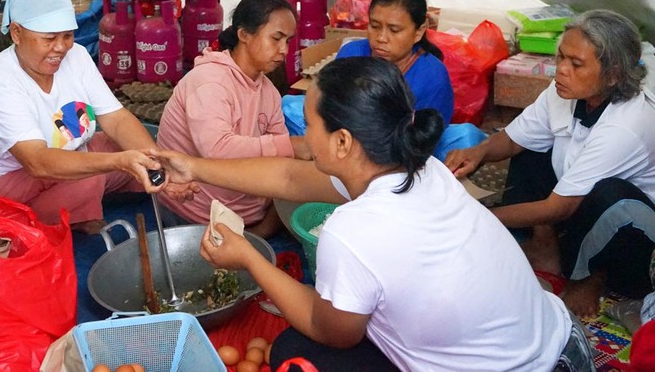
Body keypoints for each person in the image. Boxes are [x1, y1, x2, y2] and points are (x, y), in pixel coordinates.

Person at [154, 57, 593, 371]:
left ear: (343, 142)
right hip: (567, 343)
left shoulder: (354, 229)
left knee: (297, 353)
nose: (303, 137)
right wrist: (192, 165)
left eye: (309, 125)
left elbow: (333, 332)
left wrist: (249, 258)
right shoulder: (422, 169)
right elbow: (289, 178)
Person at [445, 9, 655, 317]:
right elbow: (515, 139)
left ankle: (590, 276)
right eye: (561, 58)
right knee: (531, 147)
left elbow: (560, 207)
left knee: (610, 194)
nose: (561, 70)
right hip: (576, 205)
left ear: (613, 74)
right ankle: (545, 247)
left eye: (576, 64)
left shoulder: (627, 124)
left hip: (633, 239)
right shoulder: (565, 92)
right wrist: (481, 151)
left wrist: (477, 215)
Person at [0, 0, 167, 234]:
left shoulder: (77, 56)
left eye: (68, 35)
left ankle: (74, 210)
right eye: (49, 38)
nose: (61, 47)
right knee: (91, 176)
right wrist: (117, 162)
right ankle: (5, 228)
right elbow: (38, 162)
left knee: (130, 148)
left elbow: (116, 119)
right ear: (17, 33)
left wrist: (159, 165)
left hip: (55, 164)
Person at [156, 0, 309, 239]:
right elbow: (216, 149)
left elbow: (281, 160)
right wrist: (291, 145)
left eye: (288, 41)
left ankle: (262, 230)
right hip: (195, 211)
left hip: (248, 211)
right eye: (276, 38)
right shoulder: (209, 82)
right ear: (244, 34)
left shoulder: (267, 90)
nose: (284, 50)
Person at [334, 0, 486, 161]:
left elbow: (424, 137)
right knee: (295, 109)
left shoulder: (432, 75)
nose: (381, 38)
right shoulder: (351, 54)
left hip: (404, 151)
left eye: (394, 30)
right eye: (375, 26)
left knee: (467, 138)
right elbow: (332, 110)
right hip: (347, 142)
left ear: (419, 32)